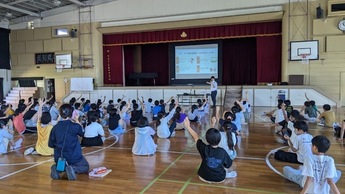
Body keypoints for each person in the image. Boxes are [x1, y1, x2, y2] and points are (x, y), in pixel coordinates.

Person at [184, 119, 236, 183]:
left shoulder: (204, 148)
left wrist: (188, 127)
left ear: (207, 139)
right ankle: (227, 175)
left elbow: (196, 137)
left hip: (203, 177)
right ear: (219, 139)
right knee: (230, 171)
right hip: (219, 179)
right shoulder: (223, 152)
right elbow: (228, 165)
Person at [48, 104, 89, 181]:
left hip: (59, 157)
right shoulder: (75, 126)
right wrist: (77, 120)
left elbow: (50, 144)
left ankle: (57, 169)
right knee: (85, 166)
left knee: (64, 163)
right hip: (73, 156)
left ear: (60, 114)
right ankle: (73, 169)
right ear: (71, 114)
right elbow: (83, 134)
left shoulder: (54, 128)